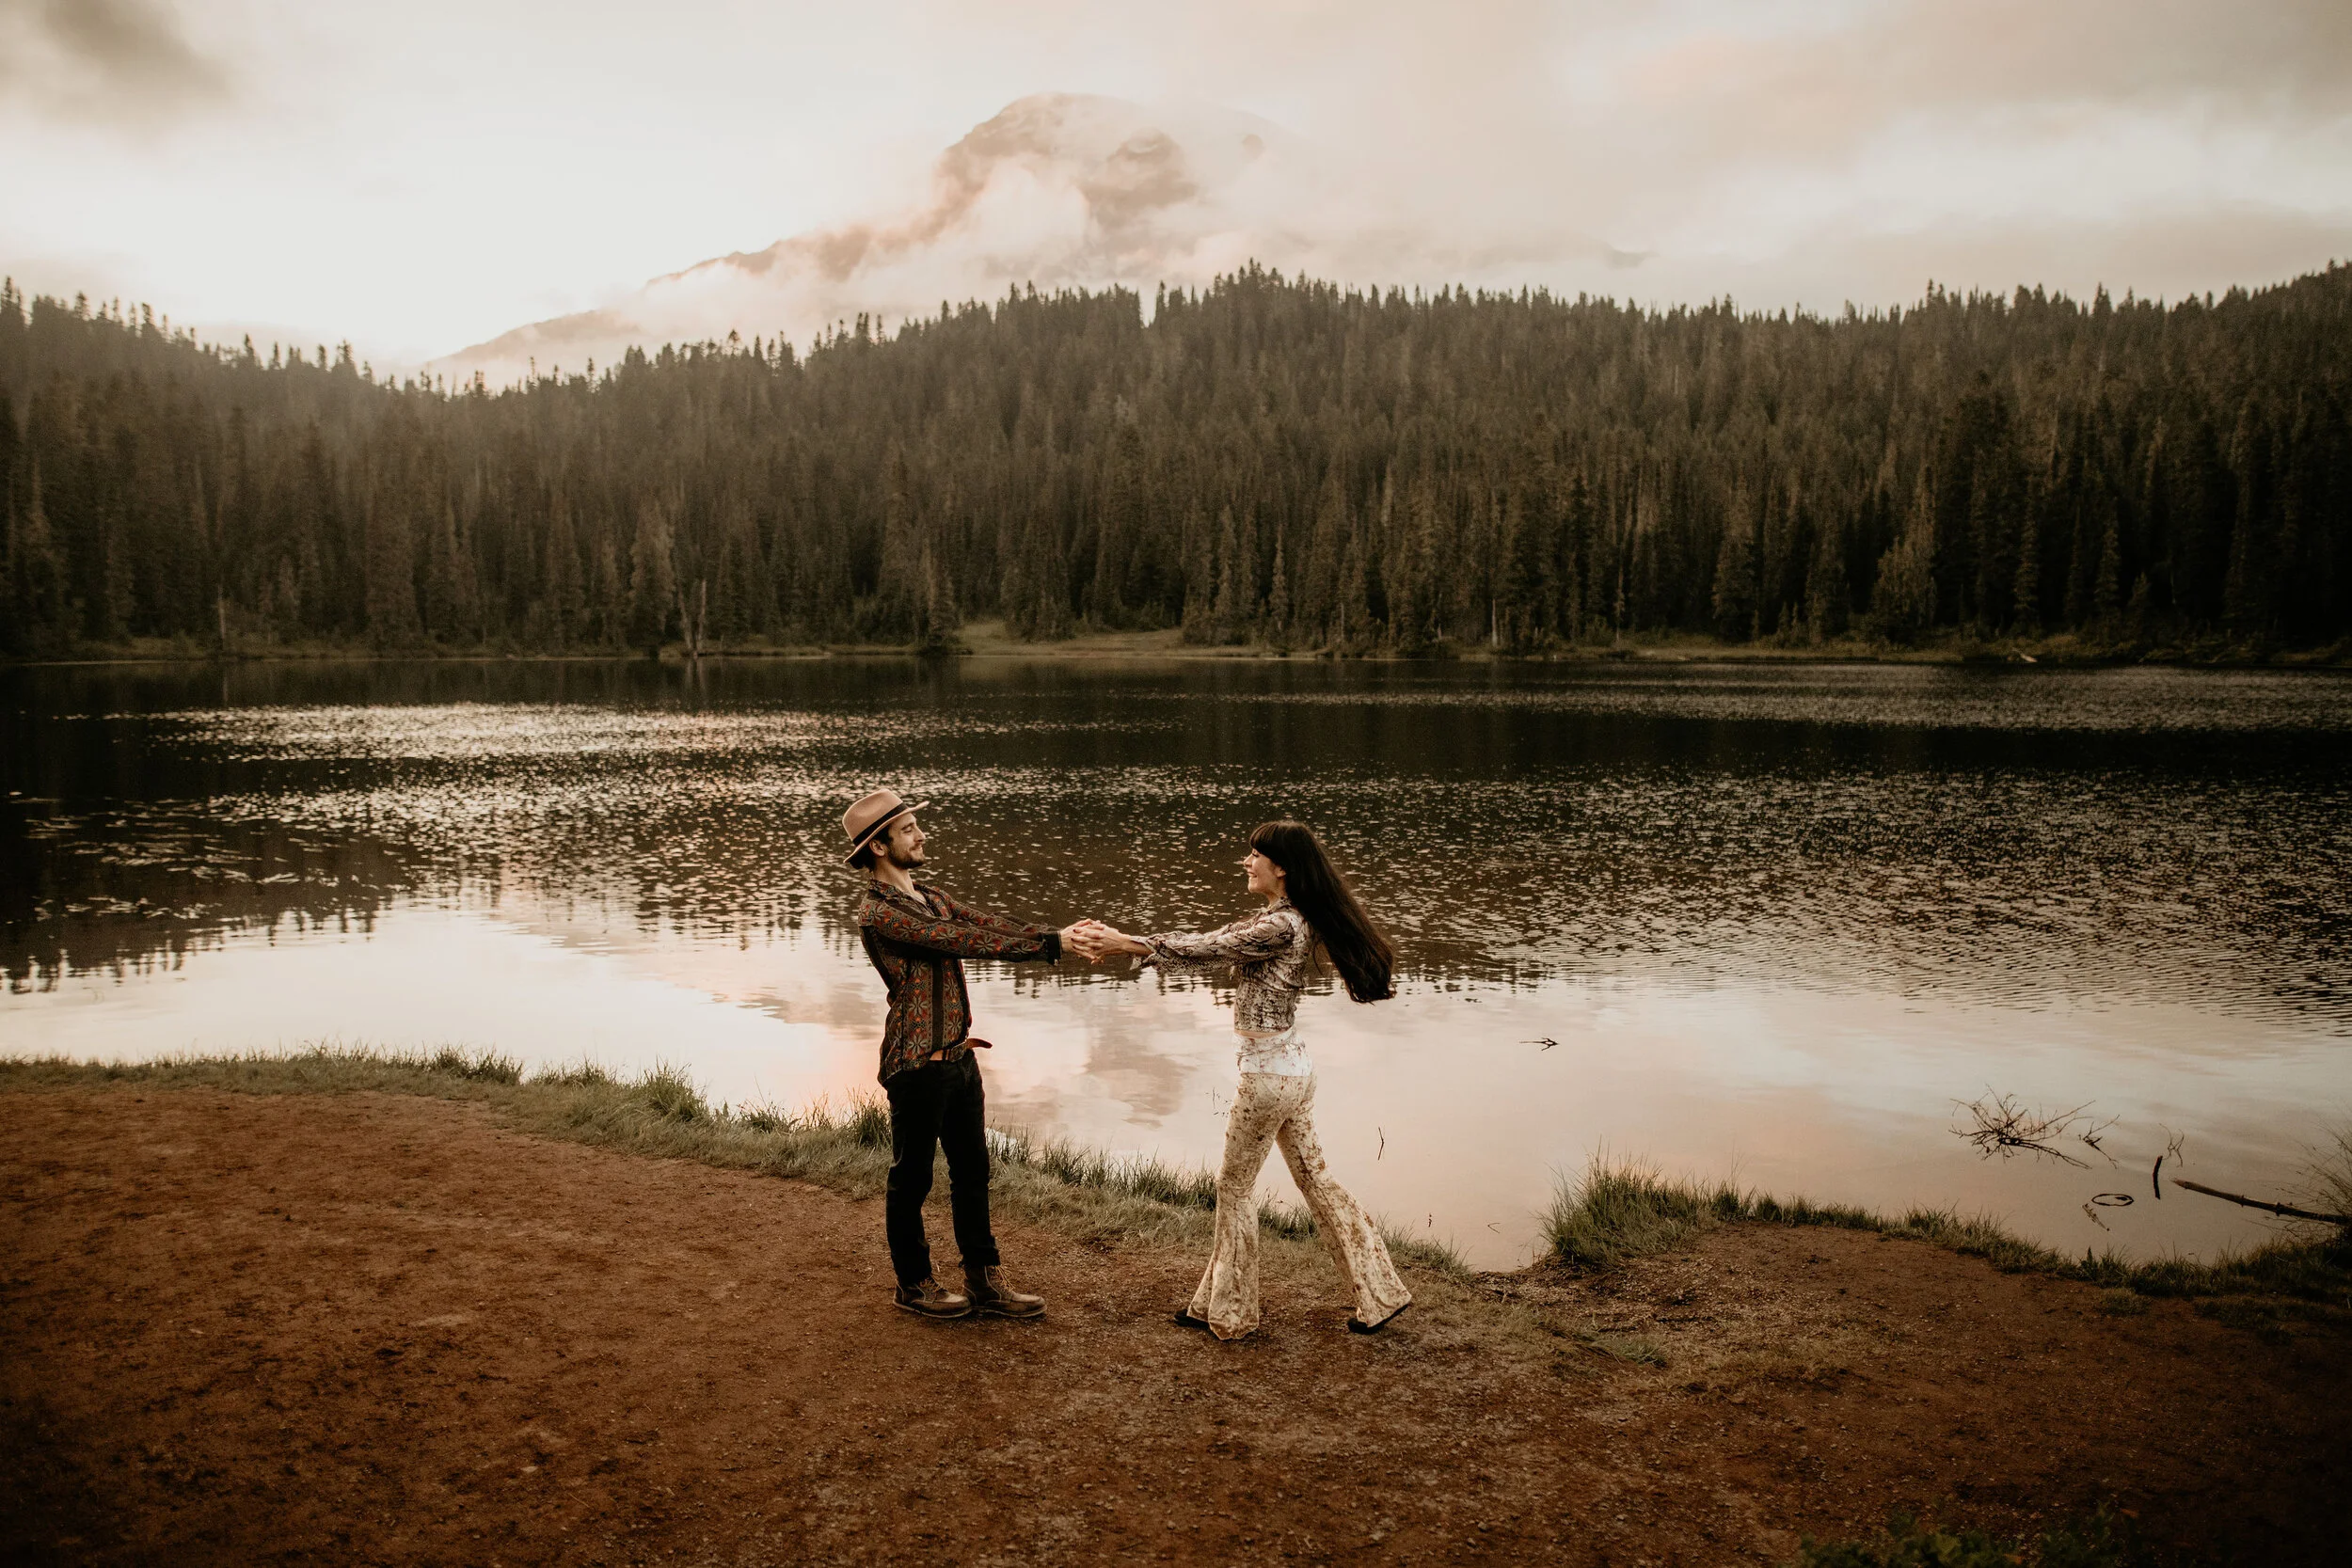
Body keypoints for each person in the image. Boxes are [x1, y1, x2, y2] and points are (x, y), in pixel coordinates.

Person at [1077, 819, 1410, 1340]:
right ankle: (1380, 1295)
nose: (1246, 862)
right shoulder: (1280, 919)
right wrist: (1130, 943)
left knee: (1234, 1189)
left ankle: (1230, 1312)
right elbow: (1212, 940)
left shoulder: (1282, 927)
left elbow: (1208, 951)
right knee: (1316, 1180)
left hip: (1269, 1078)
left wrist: (1129, 943)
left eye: (1256, 855)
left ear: (1283, 867)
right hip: (1292, 1071)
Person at [845, 787, 1097, 1321]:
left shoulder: (931, 896)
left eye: (916, 826)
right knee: (912, 1179)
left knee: (973, 1173)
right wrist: (1050, 945)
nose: (921, 835)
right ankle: (913, 1284)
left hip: (960, 1060)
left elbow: (983, 924)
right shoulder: (879, 913)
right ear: (880, 847)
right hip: (916, 1066)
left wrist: (1056, 936)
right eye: (909, 829)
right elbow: (959, 940)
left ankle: (984, 1280)